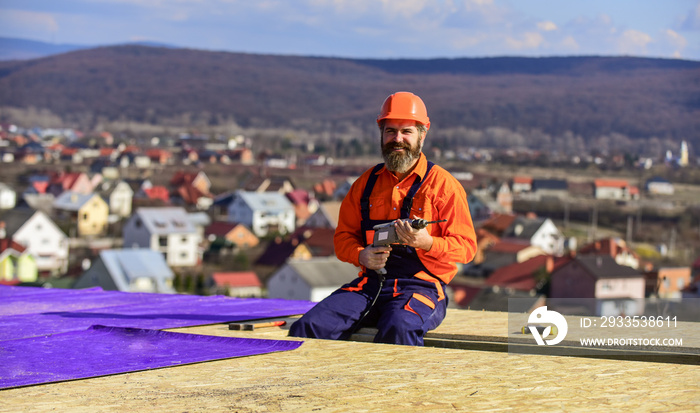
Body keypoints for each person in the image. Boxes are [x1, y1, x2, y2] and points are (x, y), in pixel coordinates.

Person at [289, 91, 477, 346]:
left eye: (406, 131)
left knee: (399, 328)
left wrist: (428, 243)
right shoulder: (364, 185)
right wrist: (360, 255)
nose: (397, 139)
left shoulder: (444, 186)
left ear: (423, 134)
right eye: (390, 131)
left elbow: (466, 249)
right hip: (370, 284)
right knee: (308, 327)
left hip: (422, 287)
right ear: (381, 133)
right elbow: (343, 238)